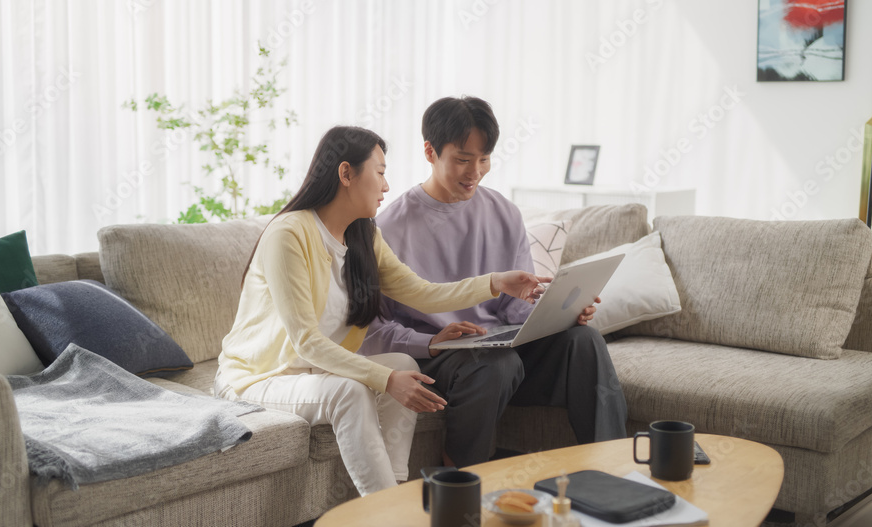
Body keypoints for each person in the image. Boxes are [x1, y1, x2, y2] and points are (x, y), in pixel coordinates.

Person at [214, 125, 549, 496]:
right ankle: (387, 514)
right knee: (352, 392)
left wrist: (495, 282)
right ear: (346, 174)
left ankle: (391, 496)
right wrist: (382, 379)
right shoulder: (289, 234)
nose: (387, 186)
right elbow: (306, 342)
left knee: (405, 366)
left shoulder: (363, 236)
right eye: (380, 172)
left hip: (317, 370)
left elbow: (422, 293)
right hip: (259, 377)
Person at [359, 97, 628, 468]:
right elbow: (370, 329)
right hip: (438, 359)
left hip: (500, 352)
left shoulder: (503, 212)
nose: (475, 172)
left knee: (584, 343)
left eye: (484, 159)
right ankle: (458, 476)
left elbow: (514, 308)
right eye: (463, 159)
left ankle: (612, 469)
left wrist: (559, 310)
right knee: (495, 364)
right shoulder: (388, 227)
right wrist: (430, 342)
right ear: (429, 151)